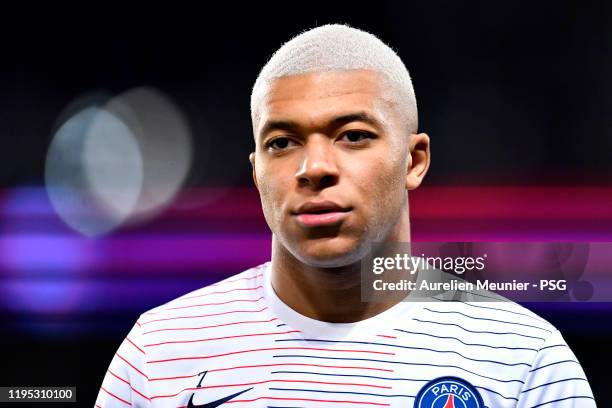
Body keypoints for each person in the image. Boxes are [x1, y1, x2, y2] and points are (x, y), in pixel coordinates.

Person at [95, 24, 596, 408]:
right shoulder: (160, 354)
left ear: (414, 161)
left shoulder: (523, 359)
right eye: (282, 142)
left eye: (352, 135)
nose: (314, 168)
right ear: (256, 172)